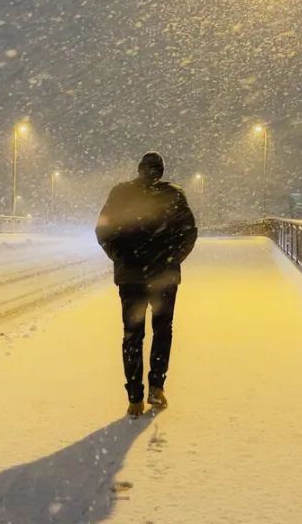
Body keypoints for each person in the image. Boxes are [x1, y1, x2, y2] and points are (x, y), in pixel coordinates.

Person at [95, 151, 198, 418]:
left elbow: (103, 230)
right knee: (162, 330)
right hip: (164, 276)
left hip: (131, 277)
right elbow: (189, 232)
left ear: (139, 169)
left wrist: (121, 258)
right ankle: (156, 386)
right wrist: (172, 259)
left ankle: (134, 397)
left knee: (132, 334)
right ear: (161, 171)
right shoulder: (174, 194)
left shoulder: (120, 193)